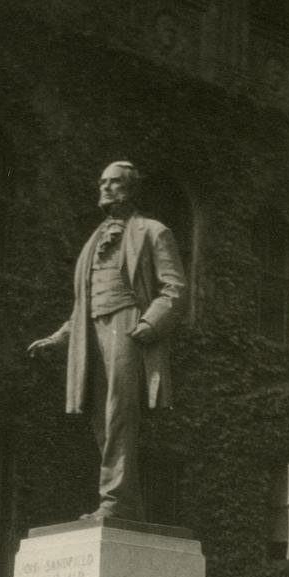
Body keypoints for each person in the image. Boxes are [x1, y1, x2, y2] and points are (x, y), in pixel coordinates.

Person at [27, 161, 186, 521]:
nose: (105, 189)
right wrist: (58, 338)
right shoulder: (94, 240)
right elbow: (83, 304)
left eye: (114, 183)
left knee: (119, 413)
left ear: (131, 189)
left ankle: (114, 500)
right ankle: (126, 502)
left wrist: (150, 323)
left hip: (128, 324)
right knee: (101, 418)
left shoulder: (153, 231)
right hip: (90, 332)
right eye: (102, 183)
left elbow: (174, 289)